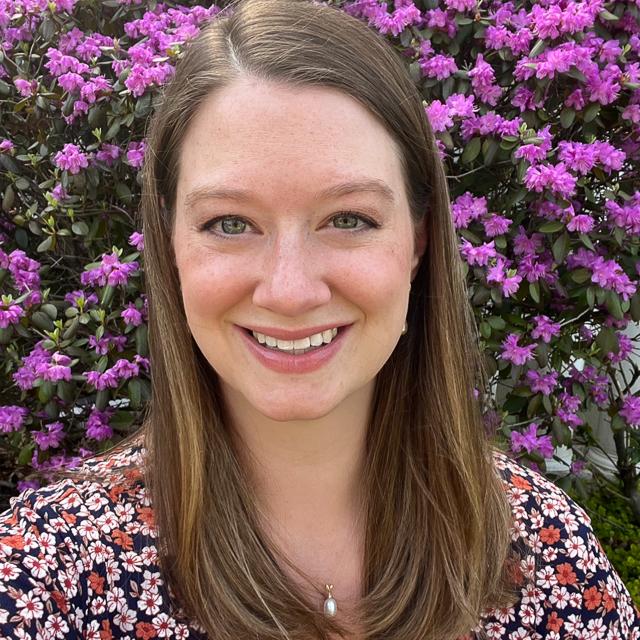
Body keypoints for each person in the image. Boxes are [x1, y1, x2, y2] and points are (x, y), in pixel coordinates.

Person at [1, 0, 639, 638]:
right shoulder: (42, 581)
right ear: (170, 244)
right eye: (230, 224)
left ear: (418, 241)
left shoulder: (551, 559)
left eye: (349, 219)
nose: (290, 291)